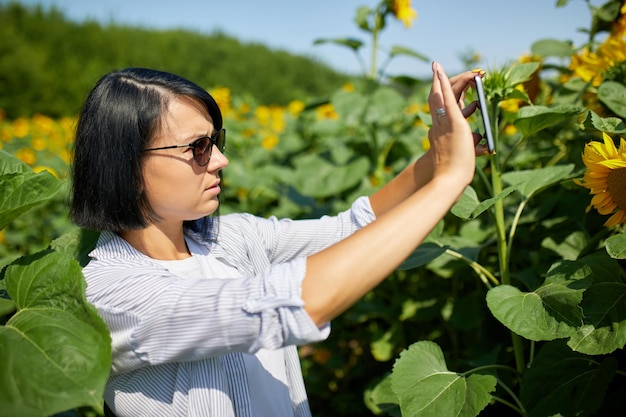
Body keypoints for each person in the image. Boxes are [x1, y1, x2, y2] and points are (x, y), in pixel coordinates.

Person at [70, 62, 486, 417]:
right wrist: (449, 179)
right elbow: (292, 303)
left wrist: (437, 156)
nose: (220, 160)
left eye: (216, 141)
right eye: (197, 147)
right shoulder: (115, 296)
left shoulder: (230, 238)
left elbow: (354, 227)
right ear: (125, 164)